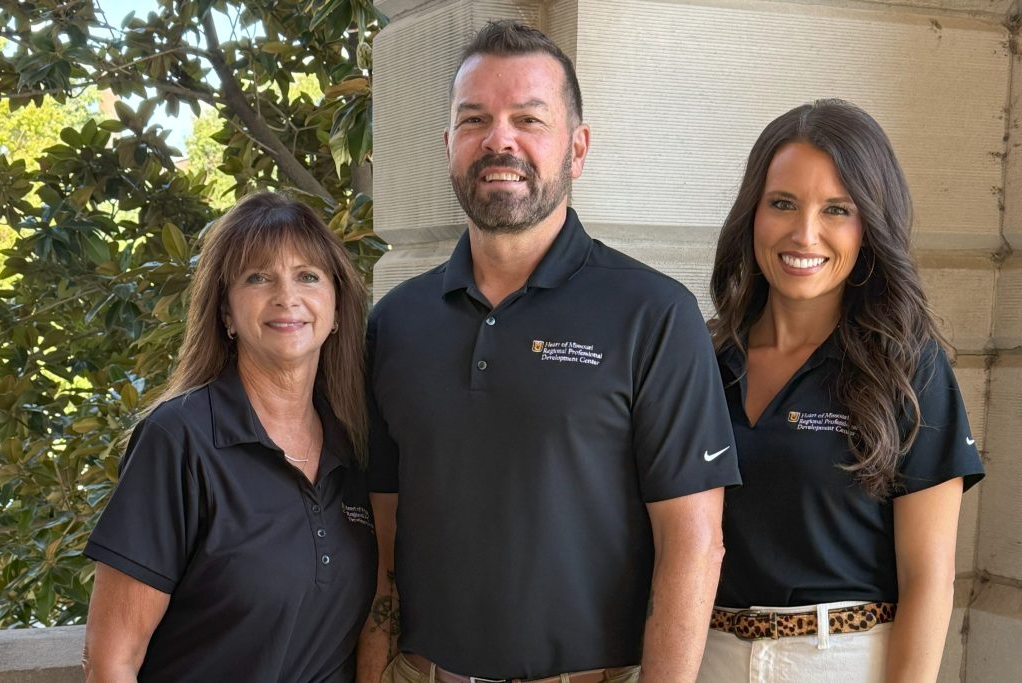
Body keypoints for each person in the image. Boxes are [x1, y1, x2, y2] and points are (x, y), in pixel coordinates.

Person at [358, 20, 741, 683]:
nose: (498, 139)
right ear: (449, 144)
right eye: (474, 118)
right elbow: (384, 540)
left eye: (528, 119)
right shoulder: (397, 322)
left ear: (577, 147)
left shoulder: (653, 315)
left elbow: (694, 545)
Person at [700, 99, 985, 682]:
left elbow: (930, 578)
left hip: (845, 662)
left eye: (837, 209)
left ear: (869, 227)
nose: (804, 233)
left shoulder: (909, 369)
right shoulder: (697, 359)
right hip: (707, 659)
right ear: (752, 213)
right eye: (782, 203)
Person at [82, 191, 376, 682]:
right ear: (226, 312)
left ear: (337, 308)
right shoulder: (179, 439)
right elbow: (111, 660)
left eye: (308, 276)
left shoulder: (354, 445)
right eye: (258, 277)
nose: (287, 296)